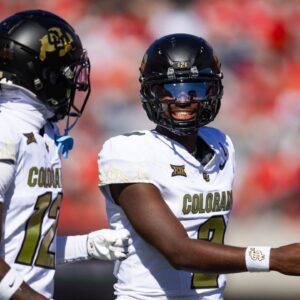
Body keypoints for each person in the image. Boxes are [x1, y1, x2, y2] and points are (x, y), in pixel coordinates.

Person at [98, 33, 300, 300]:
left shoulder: (221, 144)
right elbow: (177, 251)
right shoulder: (129, 151)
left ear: (214, 91)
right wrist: (271, 258)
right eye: (169, 90)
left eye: (196, 89)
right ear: (151, 93)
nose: (183, 100)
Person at [0, 10, 131, 300]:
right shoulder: (6, 130)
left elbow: (25, 248)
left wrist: (86, 246)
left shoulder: (42, 132)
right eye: (68, 72)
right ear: (41, 74)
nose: (75, 83)